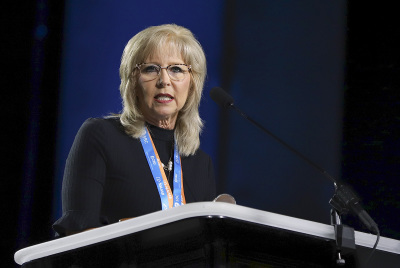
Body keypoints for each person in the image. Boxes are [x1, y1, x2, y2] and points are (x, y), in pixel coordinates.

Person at [53, 24, 216, 236]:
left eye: (176, 69)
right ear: (132, 82)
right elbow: (76, 232)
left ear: (192, 84)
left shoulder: (201, 164)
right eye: (151, 69)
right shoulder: (100, 136)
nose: (164, 81)